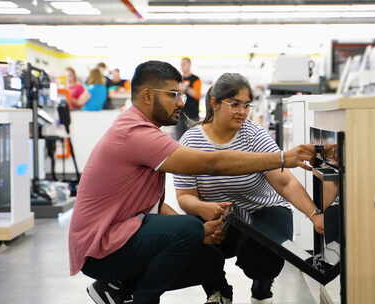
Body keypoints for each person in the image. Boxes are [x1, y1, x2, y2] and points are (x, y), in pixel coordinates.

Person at [68, 61, 316, 304]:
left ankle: (118, 288)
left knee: (201, 249)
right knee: (190, 230)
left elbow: (155, 204)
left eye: (181, 94)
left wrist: (193, 232)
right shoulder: (136, 134)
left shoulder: (145, 131)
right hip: (102, 247)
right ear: (146, 96)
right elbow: (211, 164)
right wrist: (283, 157)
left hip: (122, 233)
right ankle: (135, 294)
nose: (180, 102)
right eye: (173, 95)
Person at [174, 73, 330, 304]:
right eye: (234, 104)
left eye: (246, 105)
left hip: (262, 210)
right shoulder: (190, 141)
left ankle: (261, 291)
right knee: (191, 234)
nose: (242, 111)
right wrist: (204, 208)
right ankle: (218, 292)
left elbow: (284, 181)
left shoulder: (253, 134)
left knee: (263, 256)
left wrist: (314, 214)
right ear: (214, 103)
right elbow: (185, 196)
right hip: (218, 215)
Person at [175, 57, 202, 140]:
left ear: (189, 65)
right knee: (179, 140)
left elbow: (197, 95)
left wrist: (186, 88)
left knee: (193, 140)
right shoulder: (178, 79)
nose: (182, 66)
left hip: (192, 115)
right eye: (181, 64)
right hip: (179, 115)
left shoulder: (196, 79)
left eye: (184, 64)